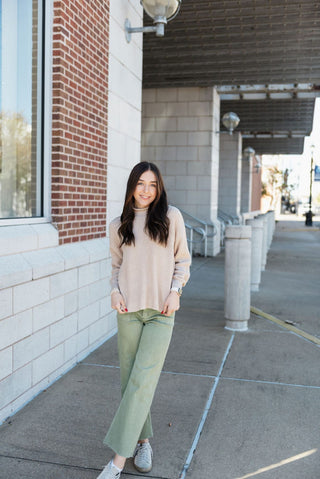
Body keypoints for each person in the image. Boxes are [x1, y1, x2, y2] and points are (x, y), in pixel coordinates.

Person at [97, 162, 191, 479]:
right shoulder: (118, 225)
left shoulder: (170, 218)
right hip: (128, 311)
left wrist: (175, 291)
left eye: (152, 184)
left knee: (142, 381)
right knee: (131, 383)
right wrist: (114, 292)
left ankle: (116, 463)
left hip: (162, 313)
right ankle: (144, 441)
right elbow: (115, 267)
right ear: (132, 186)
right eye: (140, 183)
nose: (146, 190)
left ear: (159, 188)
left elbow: (182, 260)